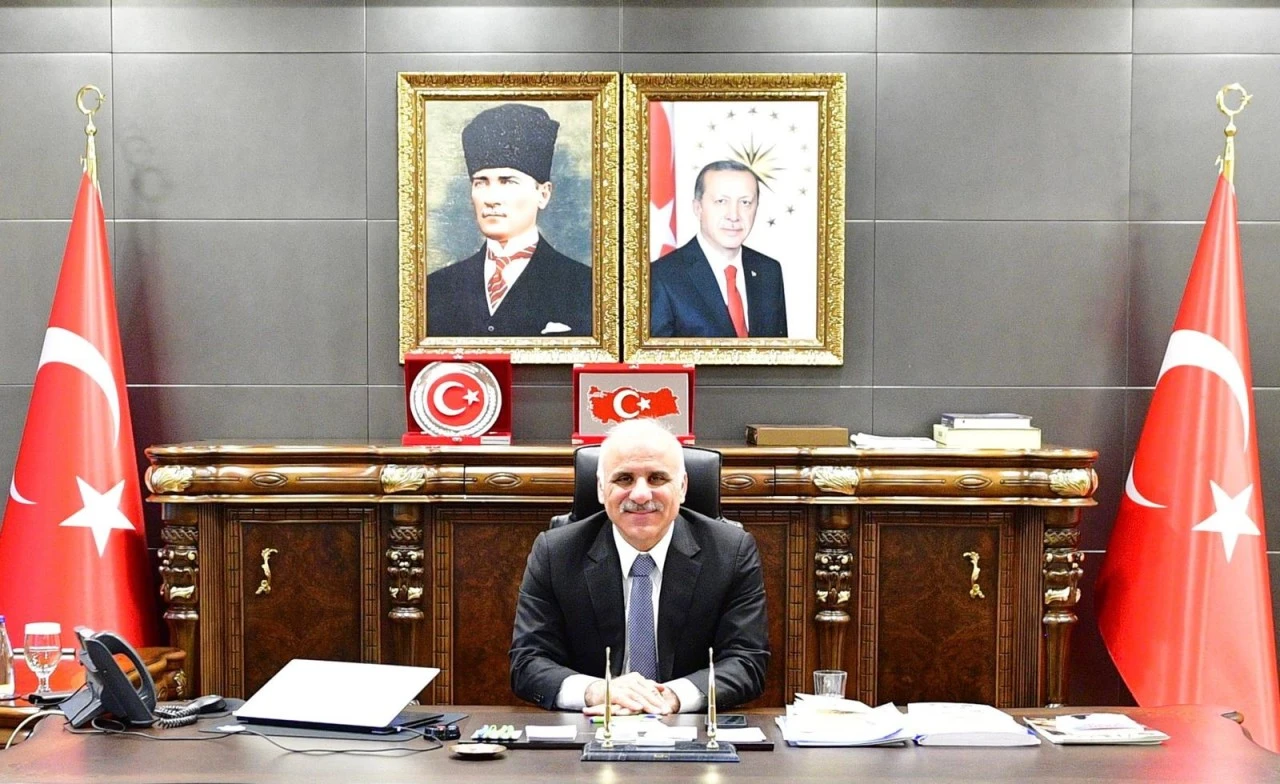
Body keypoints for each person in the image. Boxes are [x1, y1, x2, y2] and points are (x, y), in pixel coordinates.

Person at [510, 419, 769, 714]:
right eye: (624, 479)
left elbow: (747, 661)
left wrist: (671, 696)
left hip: (688, 727)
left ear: (682, 487)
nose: (641, 495)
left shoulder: (730, 552)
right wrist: (598, 691)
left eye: (657, 478)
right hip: (593, 726)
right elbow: (528, 661)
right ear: (600, 488)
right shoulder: (556, 553)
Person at [427, 103, 592, 337]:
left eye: (508, 182)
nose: (491, 199)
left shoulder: (583, 286)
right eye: (481, 182)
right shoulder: (437, 288)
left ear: (543, 194)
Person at [649, 159, 788, 338]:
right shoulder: (661, 277)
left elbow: (779, 353)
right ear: (698, 208)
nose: (734, 215)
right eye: (721, 201)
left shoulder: (769, 271)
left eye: (745, 202)